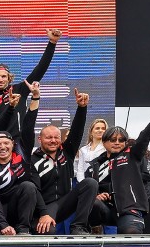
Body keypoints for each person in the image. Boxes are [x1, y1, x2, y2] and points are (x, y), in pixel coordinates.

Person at [86, 101, 150, 234]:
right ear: (104, 142)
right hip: (106, 209)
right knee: (90, 199)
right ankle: (95, 228)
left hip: (129, 209)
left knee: (131, 233)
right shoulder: (94, 165)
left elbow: (146, 135)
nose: (117, 143)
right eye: (113, 140)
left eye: (121, 140)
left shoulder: (132, 155)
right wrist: (97, 195)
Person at [31, 89, 99, 236]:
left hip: (65, 203)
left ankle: (79, 227)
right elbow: (34, 191)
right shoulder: (32, 160)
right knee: (48, 231)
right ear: (40, 139)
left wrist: (82, 108)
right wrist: (44, 213)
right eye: (48, 138)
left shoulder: (66, 152)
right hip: (42, 208)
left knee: (90, 183)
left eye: (56, 137)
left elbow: (76, 131)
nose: (53, 141)